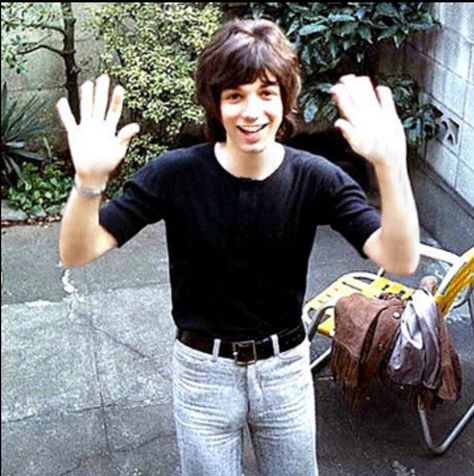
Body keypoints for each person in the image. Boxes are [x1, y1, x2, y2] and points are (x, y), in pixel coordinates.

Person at [57, 18, 419, 476]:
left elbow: (400, 257)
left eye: (266, 92)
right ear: (215, 103)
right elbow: (77, 251)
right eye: (235, 95)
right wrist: (88, 182)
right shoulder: (176, 174)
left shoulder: (314, 177)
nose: (252, 111)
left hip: (285, 370)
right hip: (202, 374)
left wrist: (391, 165)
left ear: (285, 98)